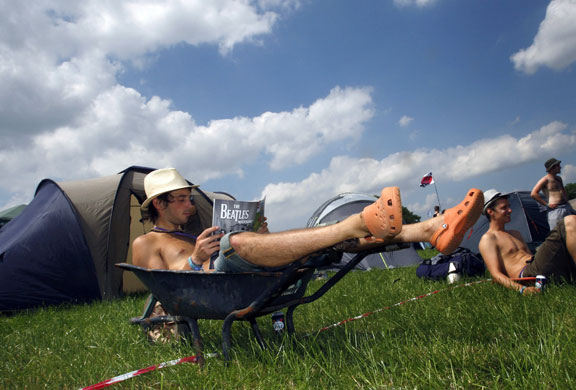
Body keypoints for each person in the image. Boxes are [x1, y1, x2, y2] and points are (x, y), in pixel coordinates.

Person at [132, 168, 484, 273]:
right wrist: (195, 259)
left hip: (239, 276)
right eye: (179, 200)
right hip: (215, 283)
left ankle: (429, 229)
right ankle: (360, 221)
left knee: (318, 240)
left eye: (187, 198)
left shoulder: (192, 233)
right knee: (234, 244)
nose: (189, 206)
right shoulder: (146, 244)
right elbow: (166, 289)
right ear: (158, 205)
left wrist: (261, 234)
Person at [479, 189, 576, 295]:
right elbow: (495, 274)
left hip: (538, 269)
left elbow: (532, 258)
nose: (510, 210)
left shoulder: (516, 233)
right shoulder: (488, 239)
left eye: (509, 206)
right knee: (569, 221)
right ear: (490, 211)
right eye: (504, 208)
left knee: (570, 231)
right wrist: (522, 289)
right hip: (526, 274)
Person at [531, 158, 576, 230]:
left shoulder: (559, 178)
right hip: (556, 209)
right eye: (558, 165)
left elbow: (563, 190)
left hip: (566, 207)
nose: (560, 167)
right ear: (553, 167)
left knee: (573, 228)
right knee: (558, 232)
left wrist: (567, 201)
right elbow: (533, 193)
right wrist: (546, 204)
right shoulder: (545, 180)